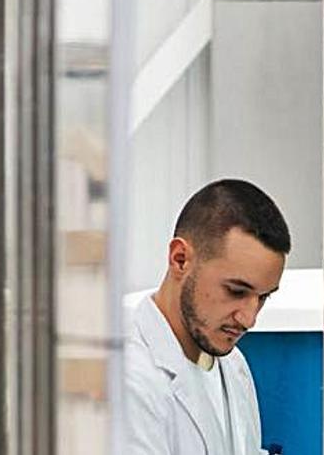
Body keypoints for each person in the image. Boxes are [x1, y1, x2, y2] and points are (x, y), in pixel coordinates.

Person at [124, 179, 291, 454]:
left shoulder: (233, 365)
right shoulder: (127, 381)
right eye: (236, 291)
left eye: (263, 297)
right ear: (180, 259)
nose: (249, 319)